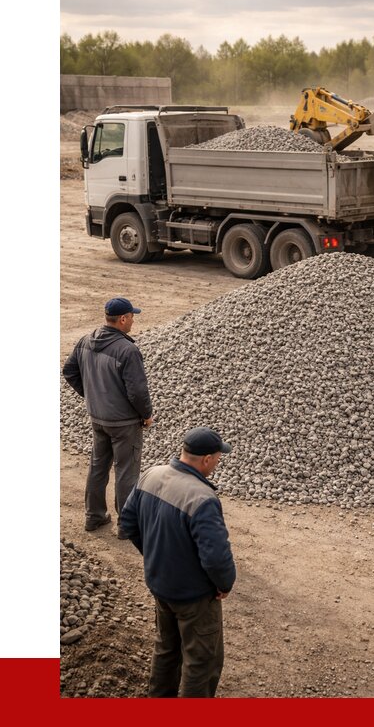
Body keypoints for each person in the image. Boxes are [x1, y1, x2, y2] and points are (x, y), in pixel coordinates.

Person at [119, 427, 236, 698]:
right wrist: (224, 584)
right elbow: (216, 557)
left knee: (166, 649)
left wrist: (155, 556)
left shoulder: (151, 474)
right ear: (206, 459)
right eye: (218, 458)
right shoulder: (202, 498)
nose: (218, 463)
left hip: (160, 585)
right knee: (201, 662)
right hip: (194, 596)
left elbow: (128, 522)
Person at [62, 297, 153, 537]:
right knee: (126, 471)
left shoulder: (85, 340)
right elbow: (137, 391)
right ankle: (127, 525)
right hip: (124, 423)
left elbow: (69, 371)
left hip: (98, 418)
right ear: (123, 319)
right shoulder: (127, 350)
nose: (133, 320)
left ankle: (94, 517)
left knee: (98, 466)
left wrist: (91, 396)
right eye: (132, 316)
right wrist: (146, 415)